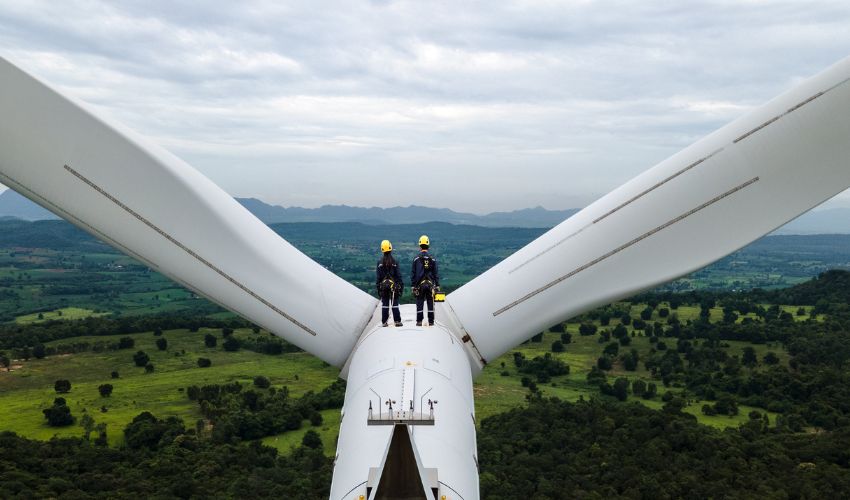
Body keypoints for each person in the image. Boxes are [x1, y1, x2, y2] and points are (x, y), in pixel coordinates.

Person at [411, 235, 439, 326]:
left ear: (420, 246)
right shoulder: (433, 258)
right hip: (430, 285)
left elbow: (413, 274)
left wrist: (413, 286)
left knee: (420, 302)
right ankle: (431, 321)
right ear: (428, 246)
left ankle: (419, 321)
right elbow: (435, 273)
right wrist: (437, 285)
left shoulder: (416, 258)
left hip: (420, 285)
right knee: (430, 303)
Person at [376, 239, 403, 327]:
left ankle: (384, 322)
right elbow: (398, 276)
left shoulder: (379, 262)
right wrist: (400, 287)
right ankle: (397, 321)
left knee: (385, 304)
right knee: (394, 304)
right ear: (390, 248)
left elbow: (378, 277)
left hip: (383, 287)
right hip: (393, 286)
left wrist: (378, 288)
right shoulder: (395, 262)